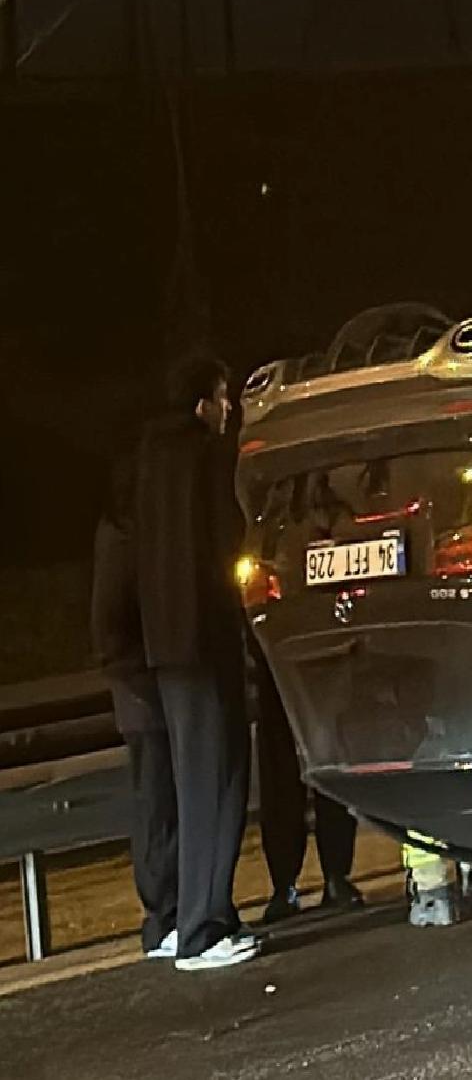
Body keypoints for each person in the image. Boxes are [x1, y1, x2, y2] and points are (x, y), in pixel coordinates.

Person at [133, 354, 258, 971]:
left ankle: (186, 916)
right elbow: (224, 543)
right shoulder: (206, 459)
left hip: (164, 646)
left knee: (189, 783)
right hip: (205, 640)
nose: (229, 407)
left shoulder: (148, 464)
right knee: (219, 781)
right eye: (222, 396)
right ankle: (205, 929)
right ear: (201, 405)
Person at [91, 452, 179, 960]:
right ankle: (161, 915)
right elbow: (110, 627)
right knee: (156, 805)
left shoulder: (121, 535)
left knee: (158, 804)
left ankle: (165, 911)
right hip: (144, 692)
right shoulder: (124, 539)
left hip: (143, 689)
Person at [254, 635, 364, 922]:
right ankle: (285, 882)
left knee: (329, 759)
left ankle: (334, 874)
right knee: (282, 773)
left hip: (322, 645)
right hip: (275, 648)